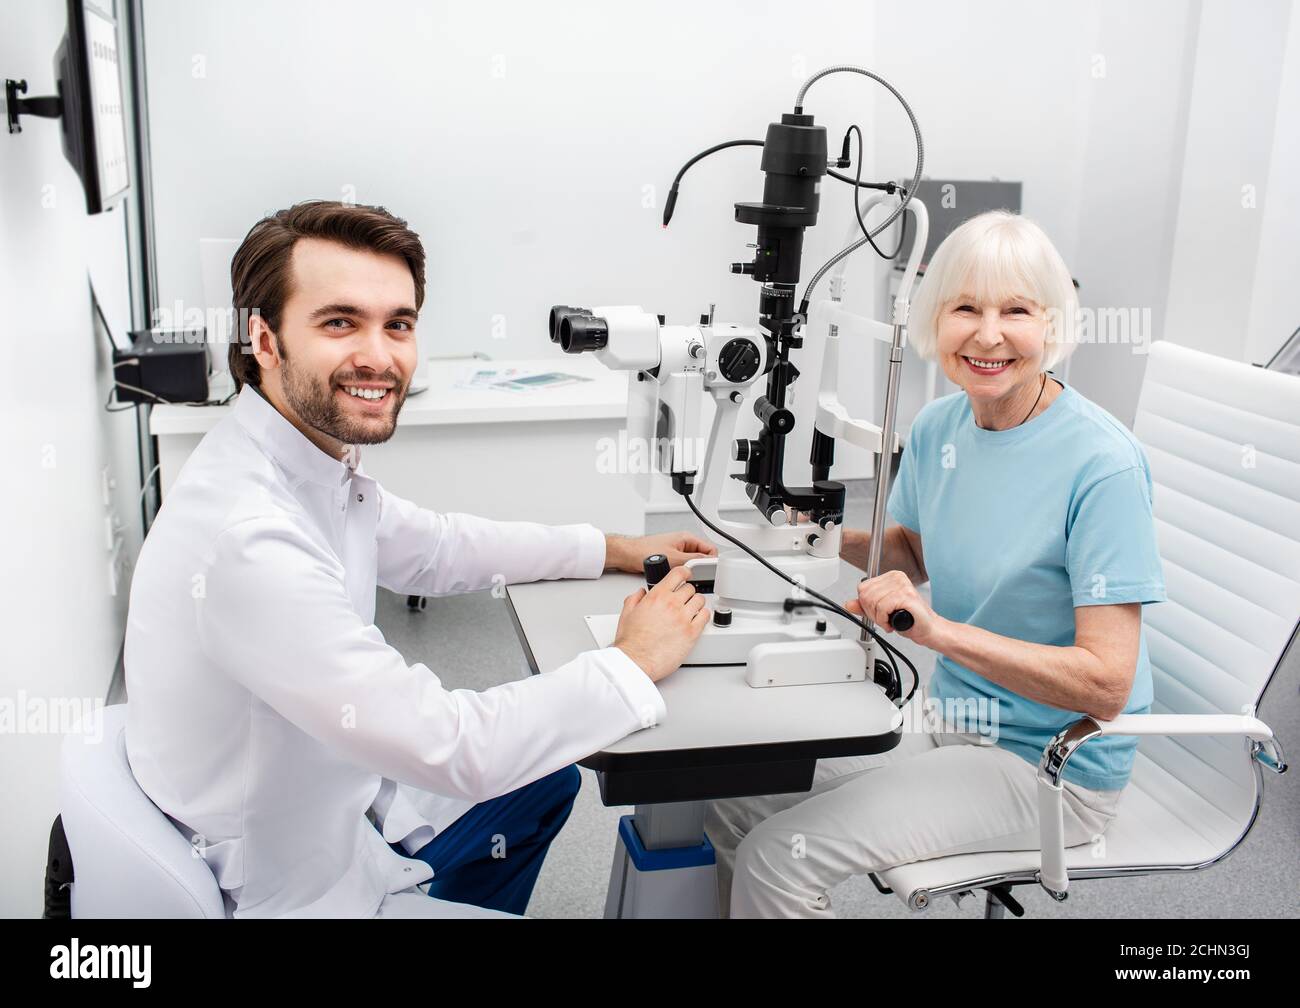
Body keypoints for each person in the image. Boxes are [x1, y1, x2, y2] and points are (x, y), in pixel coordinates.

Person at [125, 200, 714, 918]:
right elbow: (453, 747)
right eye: (339, 321)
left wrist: (611, 547)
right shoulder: (248, 537)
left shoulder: (299, 459)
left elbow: (435, 547)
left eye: (397, 324)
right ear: (265, 338)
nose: (379, 355)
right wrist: (632, 659)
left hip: (343, 808)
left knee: (546, 782)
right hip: (293, 887)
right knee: (512, 763)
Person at [708, 210, 1167, 918]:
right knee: (732, 798)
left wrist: (937, 634)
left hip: (1049, 765)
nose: (988, 335)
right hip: (951, 717)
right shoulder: (939, 428)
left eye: (1016, 310)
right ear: (934, 319)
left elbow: (1105, 685)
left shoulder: (1101, 467)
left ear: (1052, 322)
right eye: (965, 309)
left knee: (779, 860)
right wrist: (814, 535)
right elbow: (918, 553)